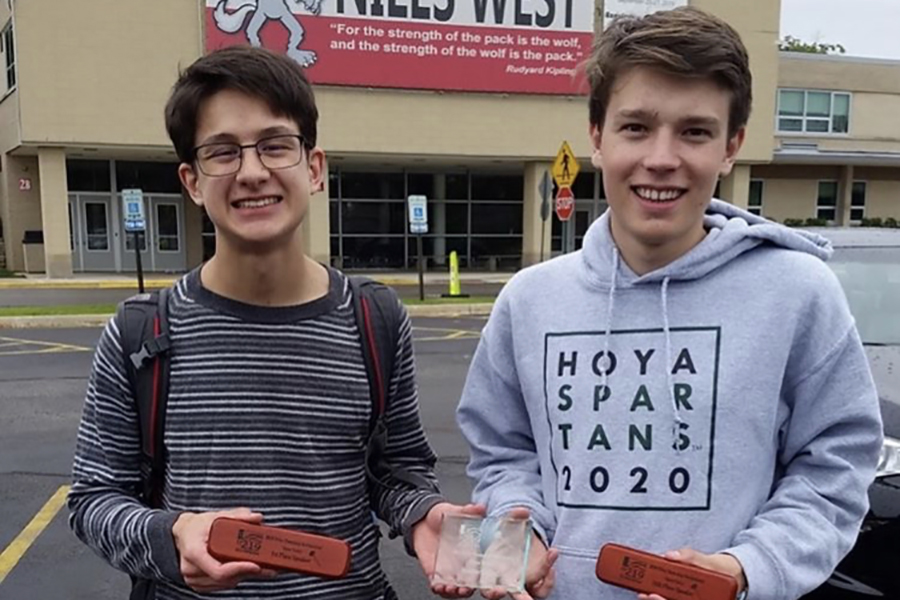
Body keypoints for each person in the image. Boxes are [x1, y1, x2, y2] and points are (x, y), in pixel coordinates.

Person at [456, 7, 883, 600]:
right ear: (597, 136)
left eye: (695, 131)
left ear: (731, 146)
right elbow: (504, 452)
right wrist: (517, 531)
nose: (662, 157)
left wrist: (744, 569)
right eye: (636, 127)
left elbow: (834, 471)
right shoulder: (530, 300)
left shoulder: (798, 292)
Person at [67, 45, 480, 600]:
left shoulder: (373, 320)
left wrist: (421, 513)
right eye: (223, 152)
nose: (252, 172)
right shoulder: (141, 334)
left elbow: (397, 467)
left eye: (274, 145)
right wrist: (170, 534)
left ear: (313, 168)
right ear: (191, 181)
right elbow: (94, 498)